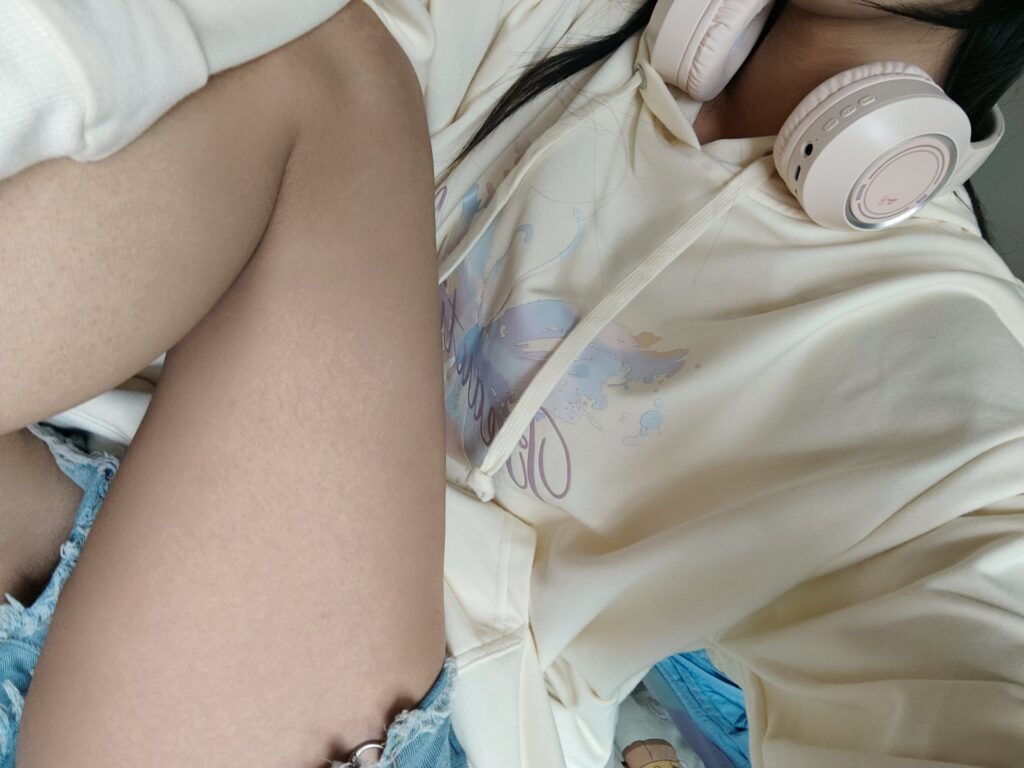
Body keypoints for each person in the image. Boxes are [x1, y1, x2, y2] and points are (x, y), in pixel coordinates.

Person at [1, 1, 1023, 767]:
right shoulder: (563, 29)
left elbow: (974, 650)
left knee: (335, 76)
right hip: (104, 511)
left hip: (392, 721)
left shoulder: (947, 348)